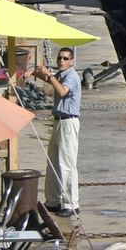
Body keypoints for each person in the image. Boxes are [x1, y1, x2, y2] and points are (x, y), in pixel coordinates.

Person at [50, 55, 83, 216]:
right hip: (58, 120)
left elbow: (62, 91)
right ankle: (53, 200)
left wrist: (49, 75)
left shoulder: (71, 76)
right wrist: (36, 73)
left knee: (67, 163)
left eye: (65, 58)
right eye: (59, 58)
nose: (61, 61)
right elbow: (53, 81)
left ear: (71, 62)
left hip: (68, 122)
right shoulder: (61, 75)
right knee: (54, 160)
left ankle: (71, 204)